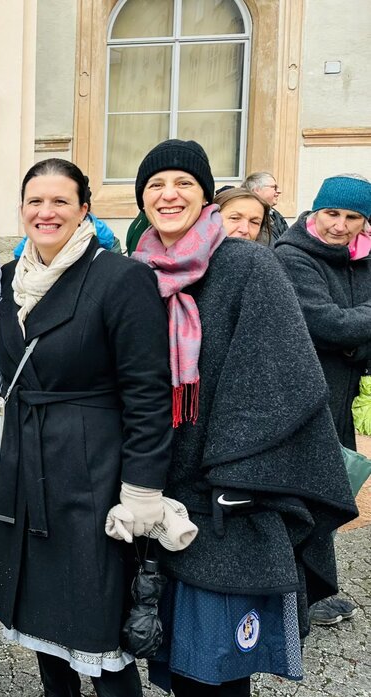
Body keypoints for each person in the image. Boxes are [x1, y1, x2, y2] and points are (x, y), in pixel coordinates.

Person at [129, 140, 357, 696]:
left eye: (183, 182)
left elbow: (284, 377)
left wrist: (230, 473)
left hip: (227, 494)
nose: (169, 194)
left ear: (206, 194)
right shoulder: (135, 271)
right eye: (156, 184)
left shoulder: (248, 263)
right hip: (157, 489)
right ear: (141, 198)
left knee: (221, 664)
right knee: (174, 660)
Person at [0, 158, 172, 697]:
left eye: (61, 201)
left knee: (97, 622)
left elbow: (148, 394)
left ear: (84, 208)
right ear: (21, 210)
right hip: (24, 465)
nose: (46, 212)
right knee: (42, 622)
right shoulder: (7, 279)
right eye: (35, 201)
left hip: (92, 473)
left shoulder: (121, 277)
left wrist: (141, 490)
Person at [274, 174, 371, 629]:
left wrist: (354, 341)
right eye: (332, 213)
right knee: (300, 498)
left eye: (353, 217)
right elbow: (328, 325)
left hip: (340, 397)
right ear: (315, 212)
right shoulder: (292, 257)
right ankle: (296, 599)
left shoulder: (363, 261)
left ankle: (313, 593)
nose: (340, 225)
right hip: (302, 401)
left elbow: (351, 336)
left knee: (330, 493)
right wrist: (352, 336)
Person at [243, 171, 288, 240]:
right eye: (274, 187)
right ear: (256, 190)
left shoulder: (274, 214)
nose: (279, 191)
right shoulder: (246, 215)